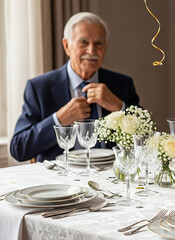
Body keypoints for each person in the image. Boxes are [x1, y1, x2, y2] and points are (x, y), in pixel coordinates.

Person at [10, 12, 139, 162]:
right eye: (83, 42)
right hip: (60, 179)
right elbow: (18, 148)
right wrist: (58, 120)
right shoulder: (39, 88)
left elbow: (147, 139)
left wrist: (120, 107)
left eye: (98, 43)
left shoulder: (121, 84)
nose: (91, 51)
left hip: (112, 176)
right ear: (67, 46)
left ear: (106, 47)